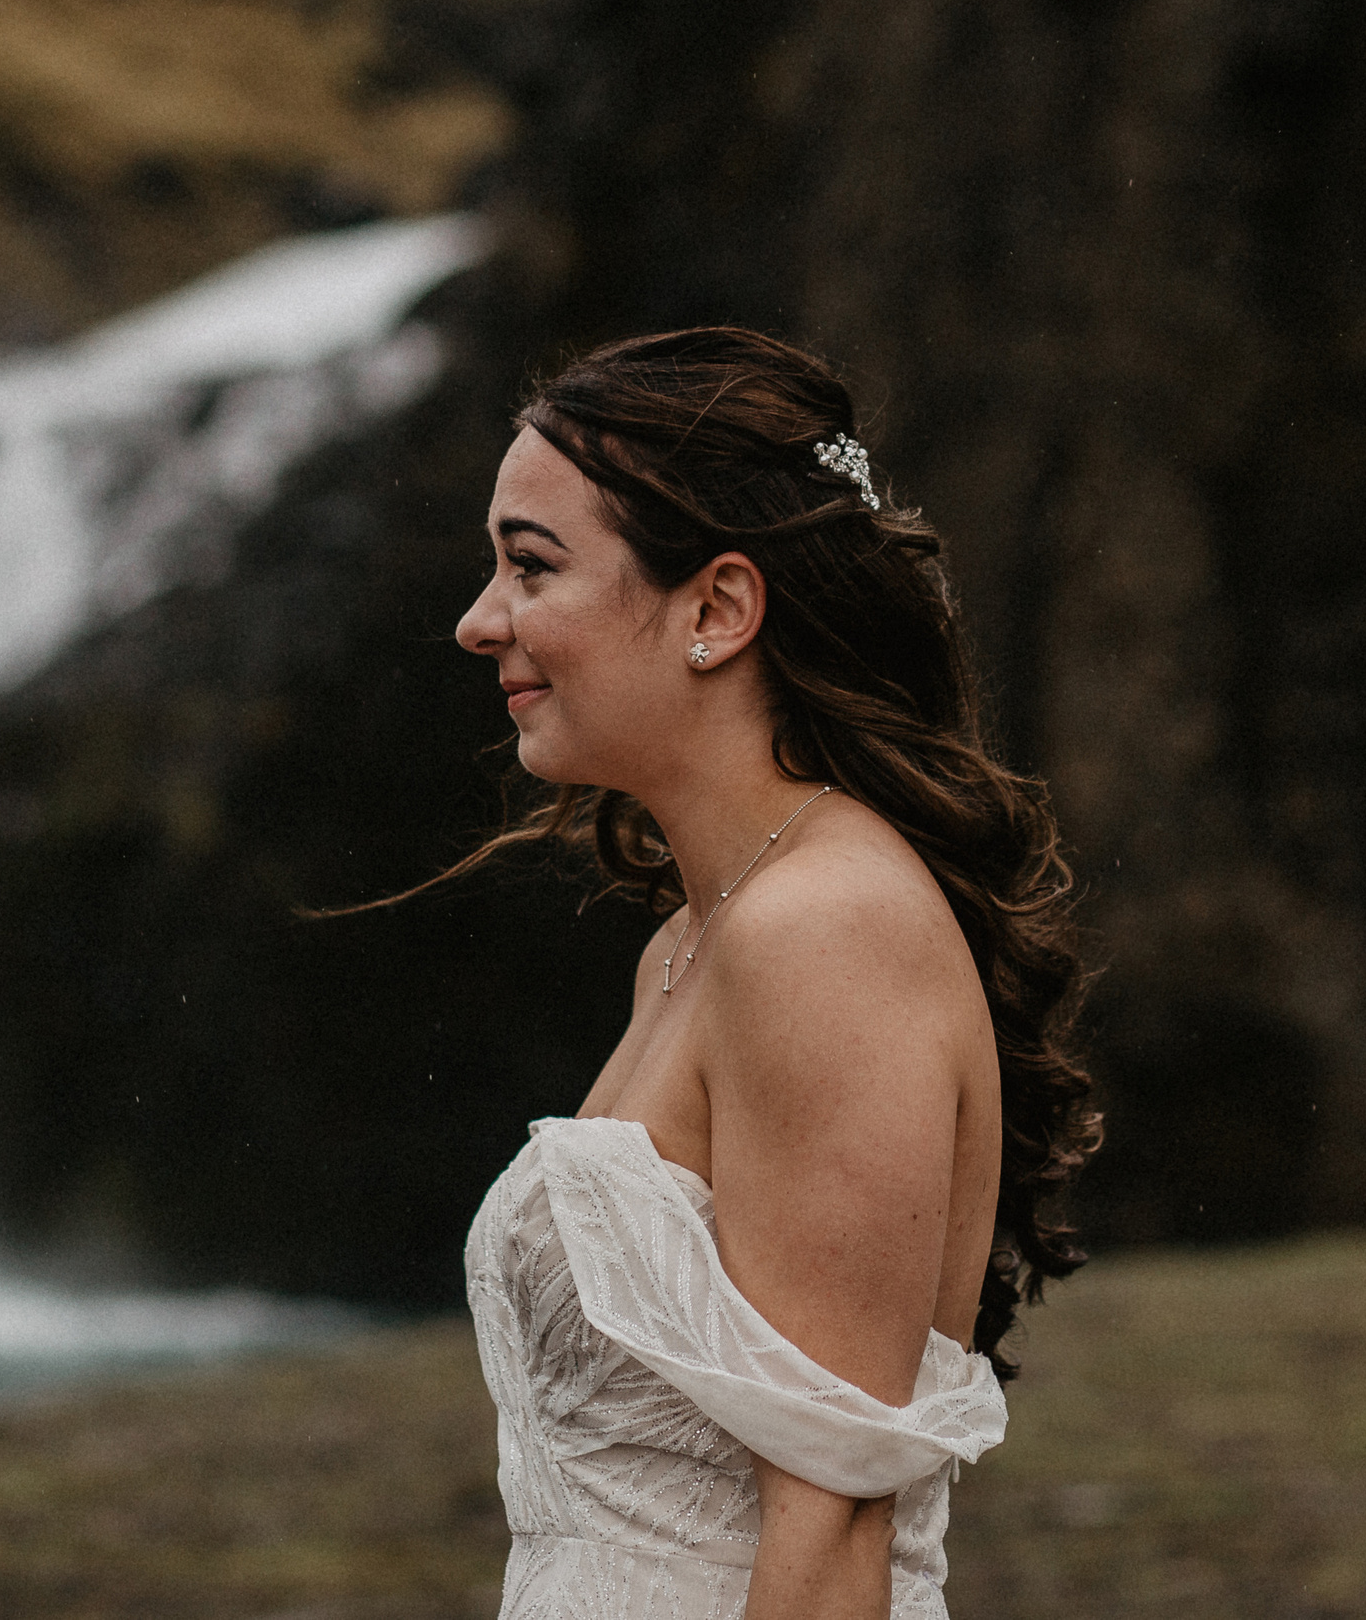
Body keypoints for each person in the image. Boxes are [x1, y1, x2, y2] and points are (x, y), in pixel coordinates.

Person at [446, 328, 1099, 1618]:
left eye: (531, 565)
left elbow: (834, 1526)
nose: (480, 621)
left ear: (718, 610)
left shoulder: (825, 929)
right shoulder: (691, 944)